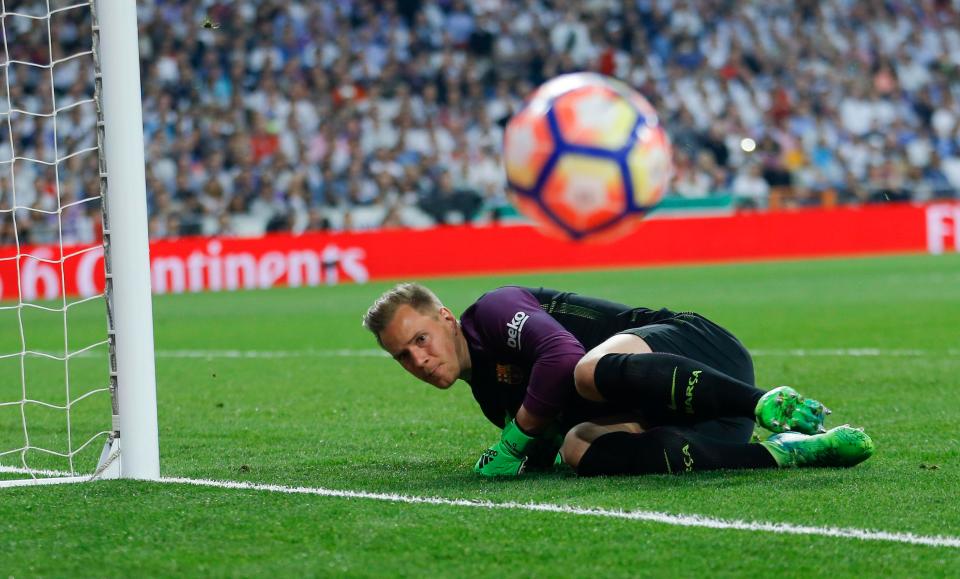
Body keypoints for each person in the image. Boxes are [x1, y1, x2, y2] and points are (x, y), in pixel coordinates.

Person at [363, 283, 874, 477]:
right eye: (403, 356)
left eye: (421, 340)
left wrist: (514, 441)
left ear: (447, 318)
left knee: (586, 372)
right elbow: (546, 441)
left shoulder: (494, 311)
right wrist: (525, 448)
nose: (418, 360)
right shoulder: (489, 396)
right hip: (704, 417)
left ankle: (769, 403)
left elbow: (561, 355)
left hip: (700, 352)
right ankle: (787, 453)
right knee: (579, 449)